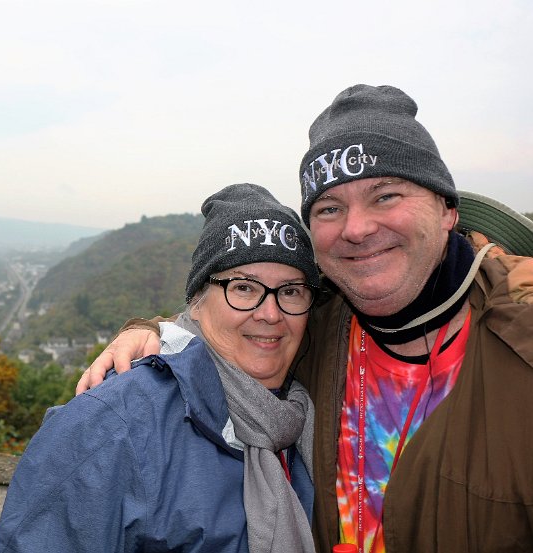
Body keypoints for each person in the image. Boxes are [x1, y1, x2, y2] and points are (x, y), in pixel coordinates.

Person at [79, 85, 533, 553]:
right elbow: (232, 327)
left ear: (446, 210)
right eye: (330, 208)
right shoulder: (314, 327)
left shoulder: (521, 336)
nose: (356, 229)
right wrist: (153, 332)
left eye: (385, 196)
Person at [0, 183, 320, 553]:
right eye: (243, 288)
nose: (271, 313)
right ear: (198, 300)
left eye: (290, 290)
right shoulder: (112, 427)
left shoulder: (300, 413)